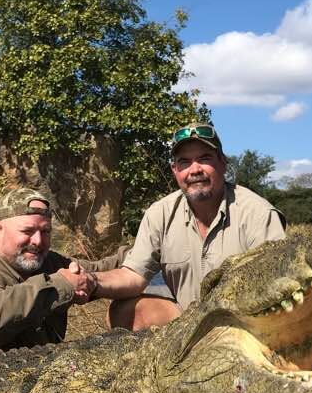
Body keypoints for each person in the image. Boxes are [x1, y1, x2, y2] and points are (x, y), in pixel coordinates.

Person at [93, 122, 285, 330]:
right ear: (174, 170)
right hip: (187, 325)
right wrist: (90, 282)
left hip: (244, 325)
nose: (195, 170)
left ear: (223, 163)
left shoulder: (258, 214)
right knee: (123, 311)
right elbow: (133, 275)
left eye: (204, 159)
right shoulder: (160, 213)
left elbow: (275, 287)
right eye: (184, 162)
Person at [0, 188, 125, 355]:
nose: (38, 241)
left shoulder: (49, 262)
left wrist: (147, 247)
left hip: (37, 383)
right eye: (27, 231)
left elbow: (101, 270)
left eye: (46, 232)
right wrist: (61, 285)